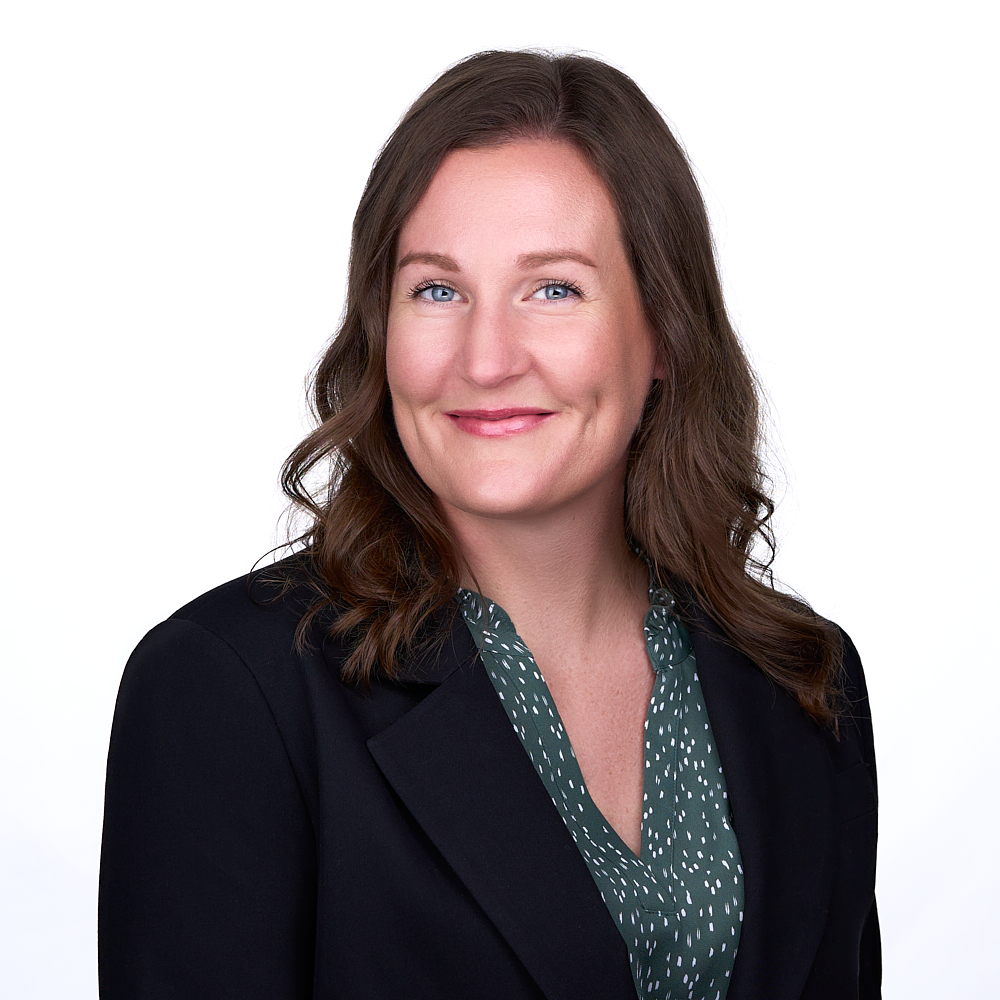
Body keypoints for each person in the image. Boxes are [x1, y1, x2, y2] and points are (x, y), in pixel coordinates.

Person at [98, 50, 879, 1000]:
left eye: (554, 289)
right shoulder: (228, 689)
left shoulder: (802, 683)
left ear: (664, 333)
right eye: (437, 289)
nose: (487, 355)